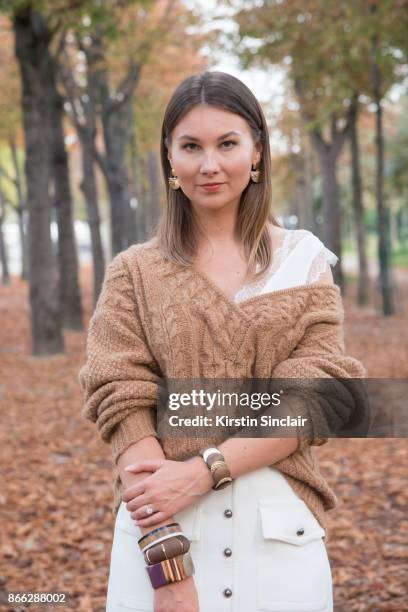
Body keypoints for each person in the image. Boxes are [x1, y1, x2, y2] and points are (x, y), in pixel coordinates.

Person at [79, 71, 367, 612]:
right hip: (159, 538)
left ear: (256, 151)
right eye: (191, 146)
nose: (209, 164)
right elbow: (122, 400)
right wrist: (168, 571)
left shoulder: (302, 260)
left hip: (279, 539)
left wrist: (202, 471)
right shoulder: (134, 273)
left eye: (227, 144)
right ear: (169, 158)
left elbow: (316, 397)